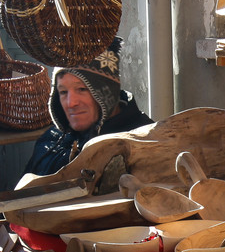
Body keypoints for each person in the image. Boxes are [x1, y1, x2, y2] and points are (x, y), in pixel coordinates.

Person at [24, 37, 153, 176]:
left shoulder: (145, 141)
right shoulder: (51, 141)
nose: (71, 103)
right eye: (63, 92)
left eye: (81, 89)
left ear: (106, 92)